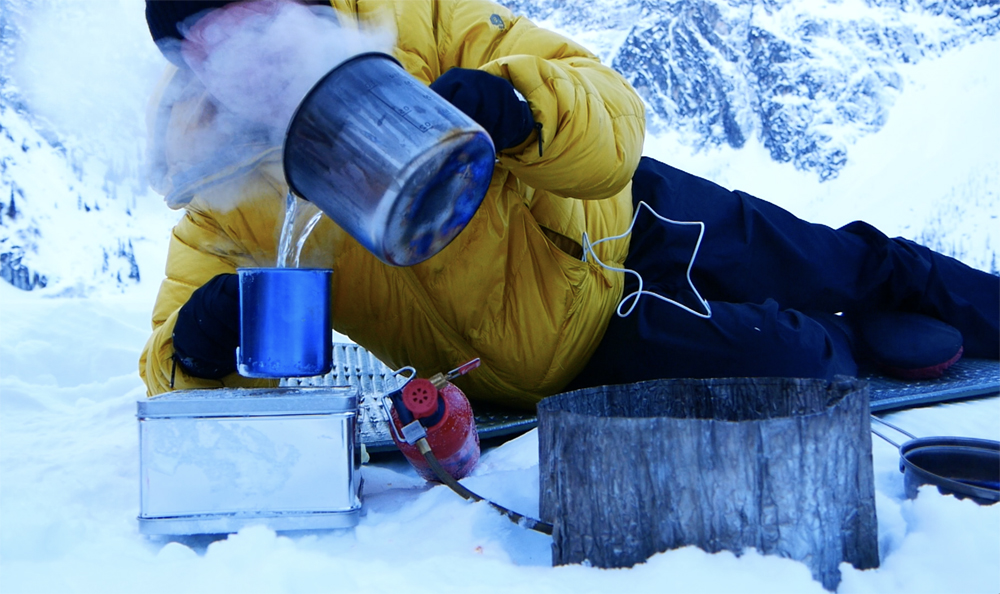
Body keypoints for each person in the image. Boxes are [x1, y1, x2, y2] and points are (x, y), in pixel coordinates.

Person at [139, 0, 999, 407]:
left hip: (630, 220)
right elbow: (169, 372)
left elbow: (613, 108)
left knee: (850, 263)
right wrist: (201, 345)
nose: (249, 58)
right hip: (578, 352)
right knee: (808, 367)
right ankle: (861, 332)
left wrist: (525, 105)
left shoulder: (422, 25)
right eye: (213, 43)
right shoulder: (222, 190)